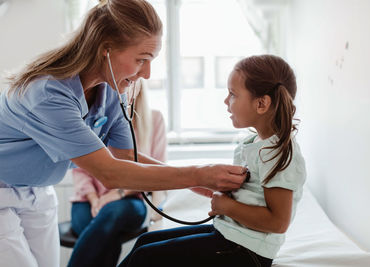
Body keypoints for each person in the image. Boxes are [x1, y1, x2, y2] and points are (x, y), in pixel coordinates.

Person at [0, 1, 246, 266]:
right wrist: (199, 172)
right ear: (106, 49)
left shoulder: (111, 92)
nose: (148, 74)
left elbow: (127, 156)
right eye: (141, 60)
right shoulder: (48, 93)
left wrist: (197, 183)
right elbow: (111, 172)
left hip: (39, 191)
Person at [118, 55, 307, 267]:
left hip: (248, 252)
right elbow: (249, 196)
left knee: (146, 257)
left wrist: (227, 206)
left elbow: (278, 222)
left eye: (233, 94)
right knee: (144, 242)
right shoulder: (254, 144)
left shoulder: (278, 152)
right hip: (230, 236)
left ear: (261, 103)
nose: (226, 101)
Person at [67, 78, 167, 267]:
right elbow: (79, 169)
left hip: (130, 201)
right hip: (88, 200)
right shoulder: (92, 117)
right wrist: (96, 199)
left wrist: (116, 194)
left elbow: (157, 170)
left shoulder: (154, 119)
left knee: (109, 218)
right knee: (105, 234)